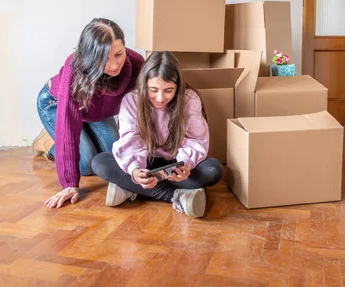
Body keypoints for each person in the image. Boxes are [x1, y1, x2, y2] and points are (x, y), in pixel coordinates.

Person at [91, 51, 223, 218]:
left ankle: (130, 188)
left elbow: (195, 140)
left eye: (169, 90)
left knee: (213, 170)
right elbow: (130, 139)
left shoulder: (189, 99)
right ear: (144, 83)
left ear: (178, 87)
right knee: (99, 162)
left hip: (176, 164)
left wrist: (186, 164)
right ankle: (177, 195)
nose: (160, 98)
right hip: (145, 162)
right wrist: (135, 170)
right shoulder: (132, 100)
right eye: (153, 89)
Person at [33, 18, 144, 209]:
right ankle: (45, 142)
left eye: (119, 54)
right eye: (104, 59)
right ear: (90, 57)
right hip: (56, 104)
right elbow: (68, 129)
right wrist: (70, 184)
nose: (115, 65)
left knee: (115, 159)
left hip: (95, 112)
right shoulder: (73, 70)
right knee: (85, 165)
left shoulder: (136, 63)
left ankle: (85, 133)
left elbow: (137, 111)